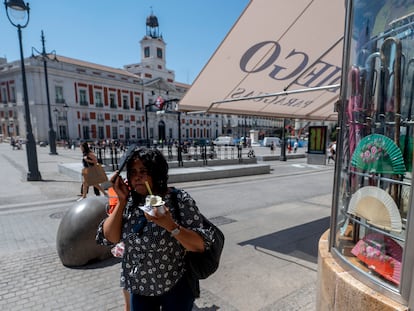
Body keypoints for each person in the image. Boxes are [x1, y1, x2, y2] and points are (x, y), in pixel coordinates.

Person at [96, 147, 213, 311]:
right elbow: (110, 238)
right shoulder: (130, 202)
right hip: (140, 287)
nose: (137, 177)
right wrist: (121, 201)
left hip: (175, 285)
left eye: (143, 171)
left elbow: (200, 245)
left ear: (156, 173)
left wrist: (170, 225)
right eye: (133, 171)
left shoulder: (178, 200)